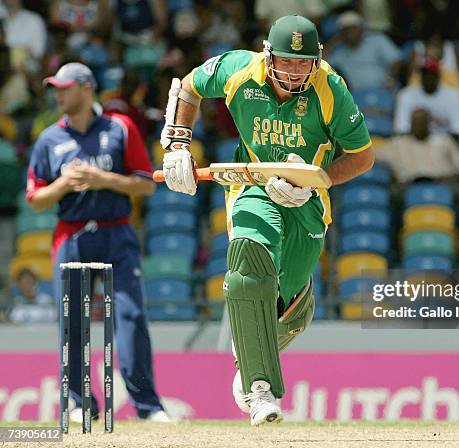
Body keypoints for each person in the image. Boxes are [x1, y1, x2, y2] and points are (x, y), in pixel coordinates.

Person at [160, 14, 373, 425]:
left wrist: (315, 182)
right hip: (252, 182)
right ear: (267, 53)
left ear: (317, 59)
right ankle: (260, 389)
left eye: (304, 62)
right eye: (287, 61)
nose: (295, 71)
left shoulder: (331, 88)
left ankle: (260, 345)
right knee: (249, 262)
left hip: (306, 198)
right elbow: (187, 86)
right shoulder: (239, 69)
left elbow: (362, 157)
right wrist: (178, 144)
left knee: (290, 304)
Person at [26, 62, 170, 422]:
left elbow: (146, 184)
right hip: (71, 234)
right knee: (72, 321)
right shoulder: (49, 139)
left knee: (131, 317)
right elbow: (36, 198)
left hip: (116, 231)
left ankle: (148, 407)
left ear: (86, 88)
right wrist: (64, 184)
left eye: (65, 87)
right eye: (55, 88)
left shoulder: (120, 129)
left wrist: (102, 179)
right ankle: (78, 402)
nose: (58, 94)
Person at [394, 57, 459, 139]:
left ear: (438, 75)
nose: (427, 78)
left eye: (431, 74)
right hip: (414, 144)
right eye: (424, 74)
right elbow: (402, 130)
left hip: (443, 144)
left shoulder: (453, 96)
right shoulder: (406, 95)